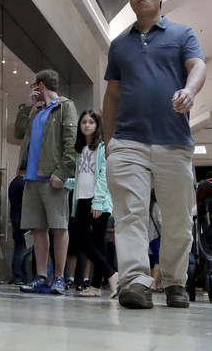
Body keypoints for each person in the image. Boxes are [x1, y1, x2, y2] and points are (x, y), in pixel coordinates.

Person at [103, 0, 206, 309]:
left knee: (177, 218)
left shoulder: (182, 34)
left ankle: (175, 281)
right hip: (128, 142)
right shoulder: (119, 45)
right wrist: (109, 143)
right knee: (129, 214)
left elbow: (198, 67)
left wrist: (190, 92)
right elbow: (113, 95)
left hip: (173, 141)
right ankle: (135, 282)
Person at [15, 69, 77, 295]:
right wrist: (26, 106)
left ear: (40, 85)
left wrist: (63, 171)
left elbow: (72, 143)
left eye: (34, 86)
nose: (33, 89)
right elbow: (18, 132)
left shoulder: (65, 107)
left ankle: (59, 277)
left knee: (59, 227)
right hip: (31, 178)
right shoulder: (35, 111)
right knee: (38, 229)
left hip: (53, 177)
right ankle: (41, 276)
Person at [68, 109, 117, 297]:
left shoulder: (103, 148)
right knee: (90, 243)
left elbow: (103, 177)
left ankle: (108, 277)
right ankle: (101, 283)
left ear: (97, 126)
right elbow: (82, 177)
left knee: (91, 243)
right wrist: (65, 182)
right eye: (83, 122)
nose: (86, 125)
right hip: (81, 199)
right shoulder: (80, 150)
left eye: (91, 122)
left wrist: (97, 202)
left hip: (98, 202)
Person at [8, 171, 29, 285]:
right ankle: (18, 276)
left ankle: (20, 276)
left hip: (16, 218)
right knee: (23, 249)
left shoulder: (14, 182)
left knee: (20, 248)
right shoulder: (23, 183)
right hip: (23, 219)